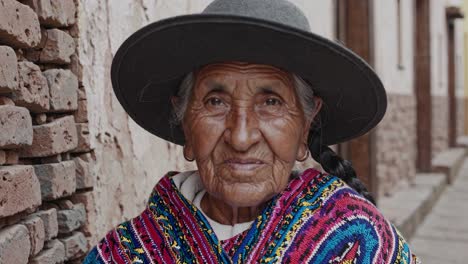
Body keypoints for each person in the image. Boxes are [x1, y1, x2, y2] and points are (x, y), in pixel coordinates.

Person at [84, 0, 420, 263]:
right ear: (185, 120)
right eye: (216, 101)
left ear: (305, 126)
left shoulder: (359, 240)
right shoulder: (125, 253)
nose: (241, 137)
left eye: (271, 102)